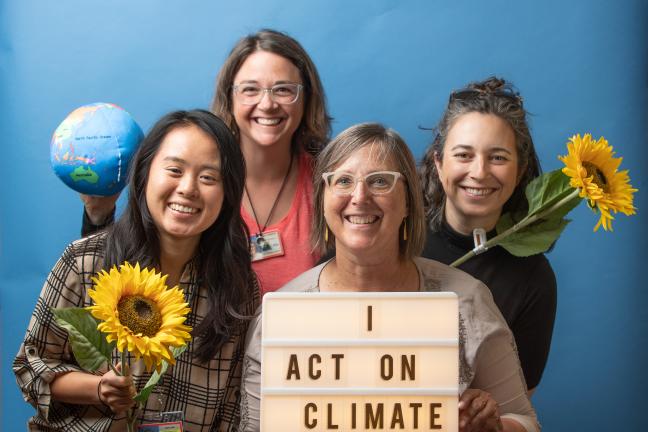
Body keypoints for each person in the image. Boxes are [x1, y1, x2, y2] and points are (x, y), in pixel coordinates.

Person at [239, 123, 540, 432]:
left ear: (409, 201)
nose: (359, 196)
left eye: (380, 181)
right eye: (342, 181)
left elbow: (525, 421)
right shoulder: (280, 318)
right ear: (321, 201)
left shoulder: (466, 302)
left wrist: (495, 428)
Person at [14, 110, 258, 431]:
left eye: (208, 177)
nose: (188, 188)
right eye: (174, 169)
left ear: (228, 193)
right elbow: (30, 366)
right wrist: (99, 389)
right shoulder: (84, 261)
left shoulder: (237, 287)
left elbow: (232, 408)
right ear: (143, 175)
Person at [81, 29, 332, 295]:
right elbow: (118, 268)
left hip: (304, 335)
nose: (267, 103)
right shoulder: (192, 179)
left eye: (283, 89)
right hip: (208, 334)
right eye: (250, 89)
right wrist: (99, 217)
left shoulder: (331, 180)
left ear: (306, 97)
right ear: (229, 96)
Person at [420, 77, 557, 394]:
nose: (479, 172)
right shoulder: (392, 240)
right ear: (438, 164)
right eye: (464, 155)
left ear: (520, 170)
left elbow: (516, 413)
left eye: (497, 157)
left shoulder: (534, 279)